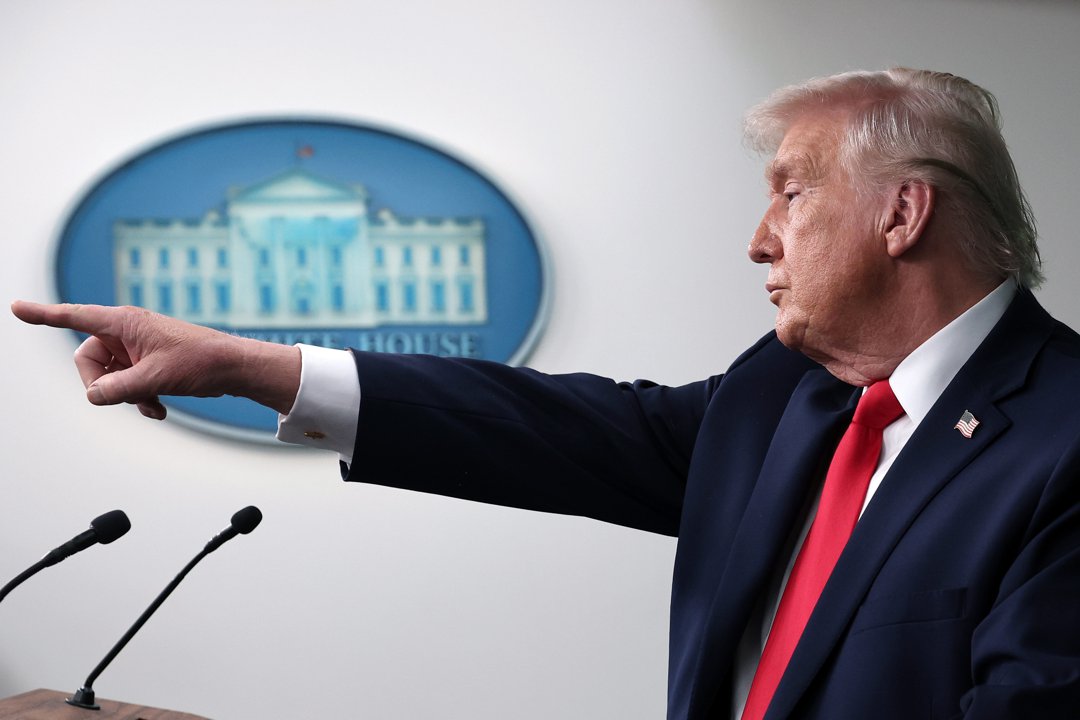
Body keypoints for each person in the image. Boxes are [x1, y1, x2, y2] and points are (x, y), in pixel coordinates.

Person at [12, 68, 1080, 719]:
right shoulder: (785, 394)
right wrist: (246, 365)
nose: (758, 241)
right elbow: (552, 431)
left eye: (791, 195)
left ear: (902, 216)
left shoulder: (1064, 440)